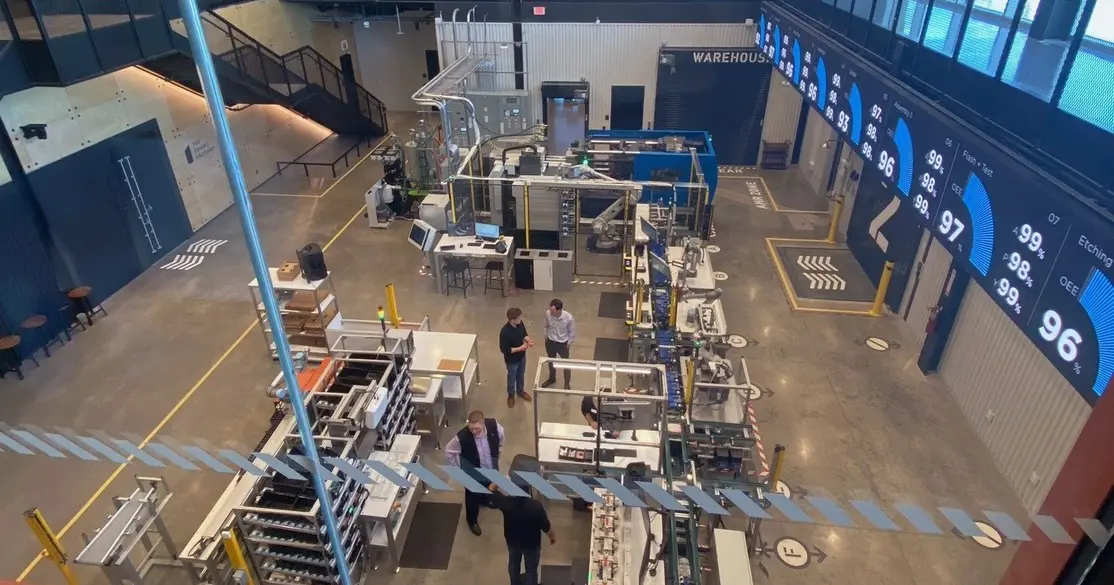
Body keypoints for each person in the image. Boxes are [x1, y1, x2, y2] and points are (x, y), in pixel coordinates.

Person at [445, 410, 506, 535]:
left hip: (491, 469)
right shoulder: (462, 437)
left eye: (477, 428)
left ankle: (485, 499)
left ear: (483, 423)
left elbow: (501, 436)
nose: (473, 431)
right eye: (471, 428)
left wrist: (499, 451)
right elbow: (449, 450)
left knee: (490, 487)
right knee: (472, 497)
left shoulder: (494, 426)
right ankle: (472, 521)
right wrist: (456, 468)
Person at [488, 477, 556, 585]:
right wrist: (552, 536)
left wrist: (500, 480)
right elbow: (546, 527)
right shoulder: (536, 507)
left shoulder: (506, 503)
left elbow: (491, 489)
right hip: (531, 545)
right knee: (531, 570)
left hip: (512, 541)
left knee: (514, 563)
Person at [499, 307, 534, 407]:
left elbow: (524, 334)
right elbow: (504, 350)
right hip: (512, 360)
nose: (521, 319)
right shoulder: (505, 333)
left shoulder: (520, 324)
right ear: (512, 320)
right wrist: (520, 348)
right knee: (512, 377)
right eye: (518, 318)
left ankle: (520, 391)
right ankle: (511, 395)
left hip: (522, 357)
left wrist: (528, 340)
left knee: (521, 374)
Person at [540, 299, 576, 389]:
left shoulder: (568, 318)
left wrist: (569, 343)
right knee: (551, 361)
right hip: (550, 342)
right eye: (550, 310)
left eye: (553, 311)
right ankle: (552, 378)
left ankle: (567, 384)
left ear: (559, 310)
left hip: (562, 344)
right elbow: (545, 325)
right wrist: (546, 336)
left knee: (566, 364)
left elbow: (572, 332)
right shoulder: (548, 313)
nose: (550, 312)